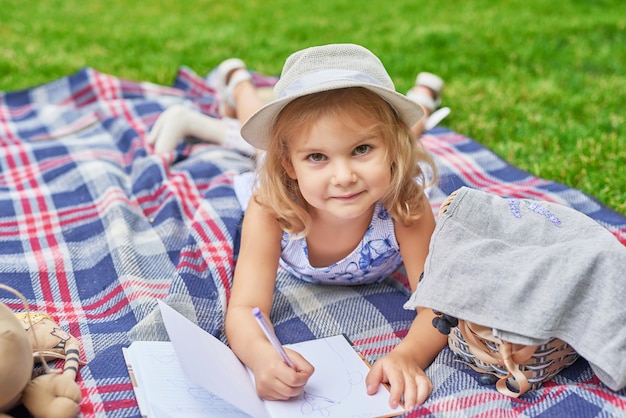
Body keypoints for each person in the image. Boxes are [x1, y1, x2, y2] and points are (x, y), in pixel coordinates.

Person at [149, 43, 448, 411]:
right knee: (259, 149)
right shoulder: (272, 206)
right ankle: (239, 83)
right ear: (291, 165)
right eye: (317, 157)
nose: (343, 177)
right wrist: (261, 356)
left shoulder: (404, 204)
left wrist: (409, 356)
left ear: (389, 149)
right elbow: (245, 308)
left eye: (362, 150)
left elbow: (437, 303)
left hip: (376, 155)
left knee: (407, 128)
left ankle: (422, 98)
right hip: (286, 180)